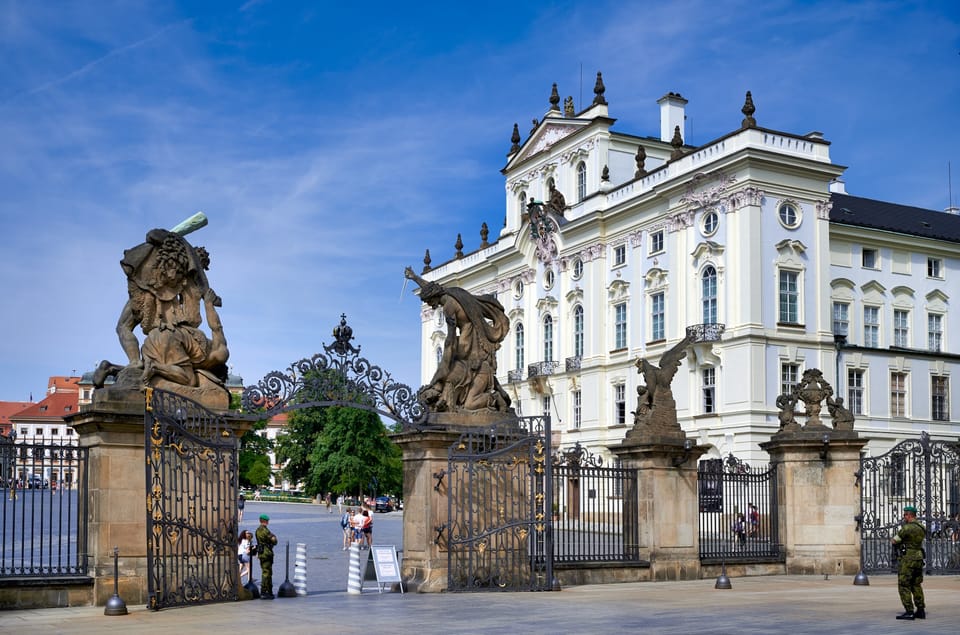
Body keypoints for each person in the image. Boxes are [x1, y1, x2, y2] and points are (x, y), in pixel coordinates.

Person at [891, 505, 926, 620]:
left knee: (904, 584)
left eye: (905, 514)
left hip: (908, 559)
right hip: (919, 558)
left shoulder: (906, 528)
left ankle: (909, 611)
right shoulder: (921, 527)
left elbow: (894, 540)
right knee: (916, 584)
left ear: (909, 515)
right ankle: (920, 610)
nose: (903, 516)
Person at [255, 514, 278, 599]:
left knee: (266, 571)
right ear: (265, 521)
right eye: (267, 521)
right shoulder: (266, 531)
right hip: (267, 553)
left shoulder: (257, 530)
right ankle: (264, 591)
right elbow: (275, 541)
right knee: (267, 573)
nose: (268, 522)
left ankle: (267, 591)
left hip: (261, 553)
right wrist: (274, 537)